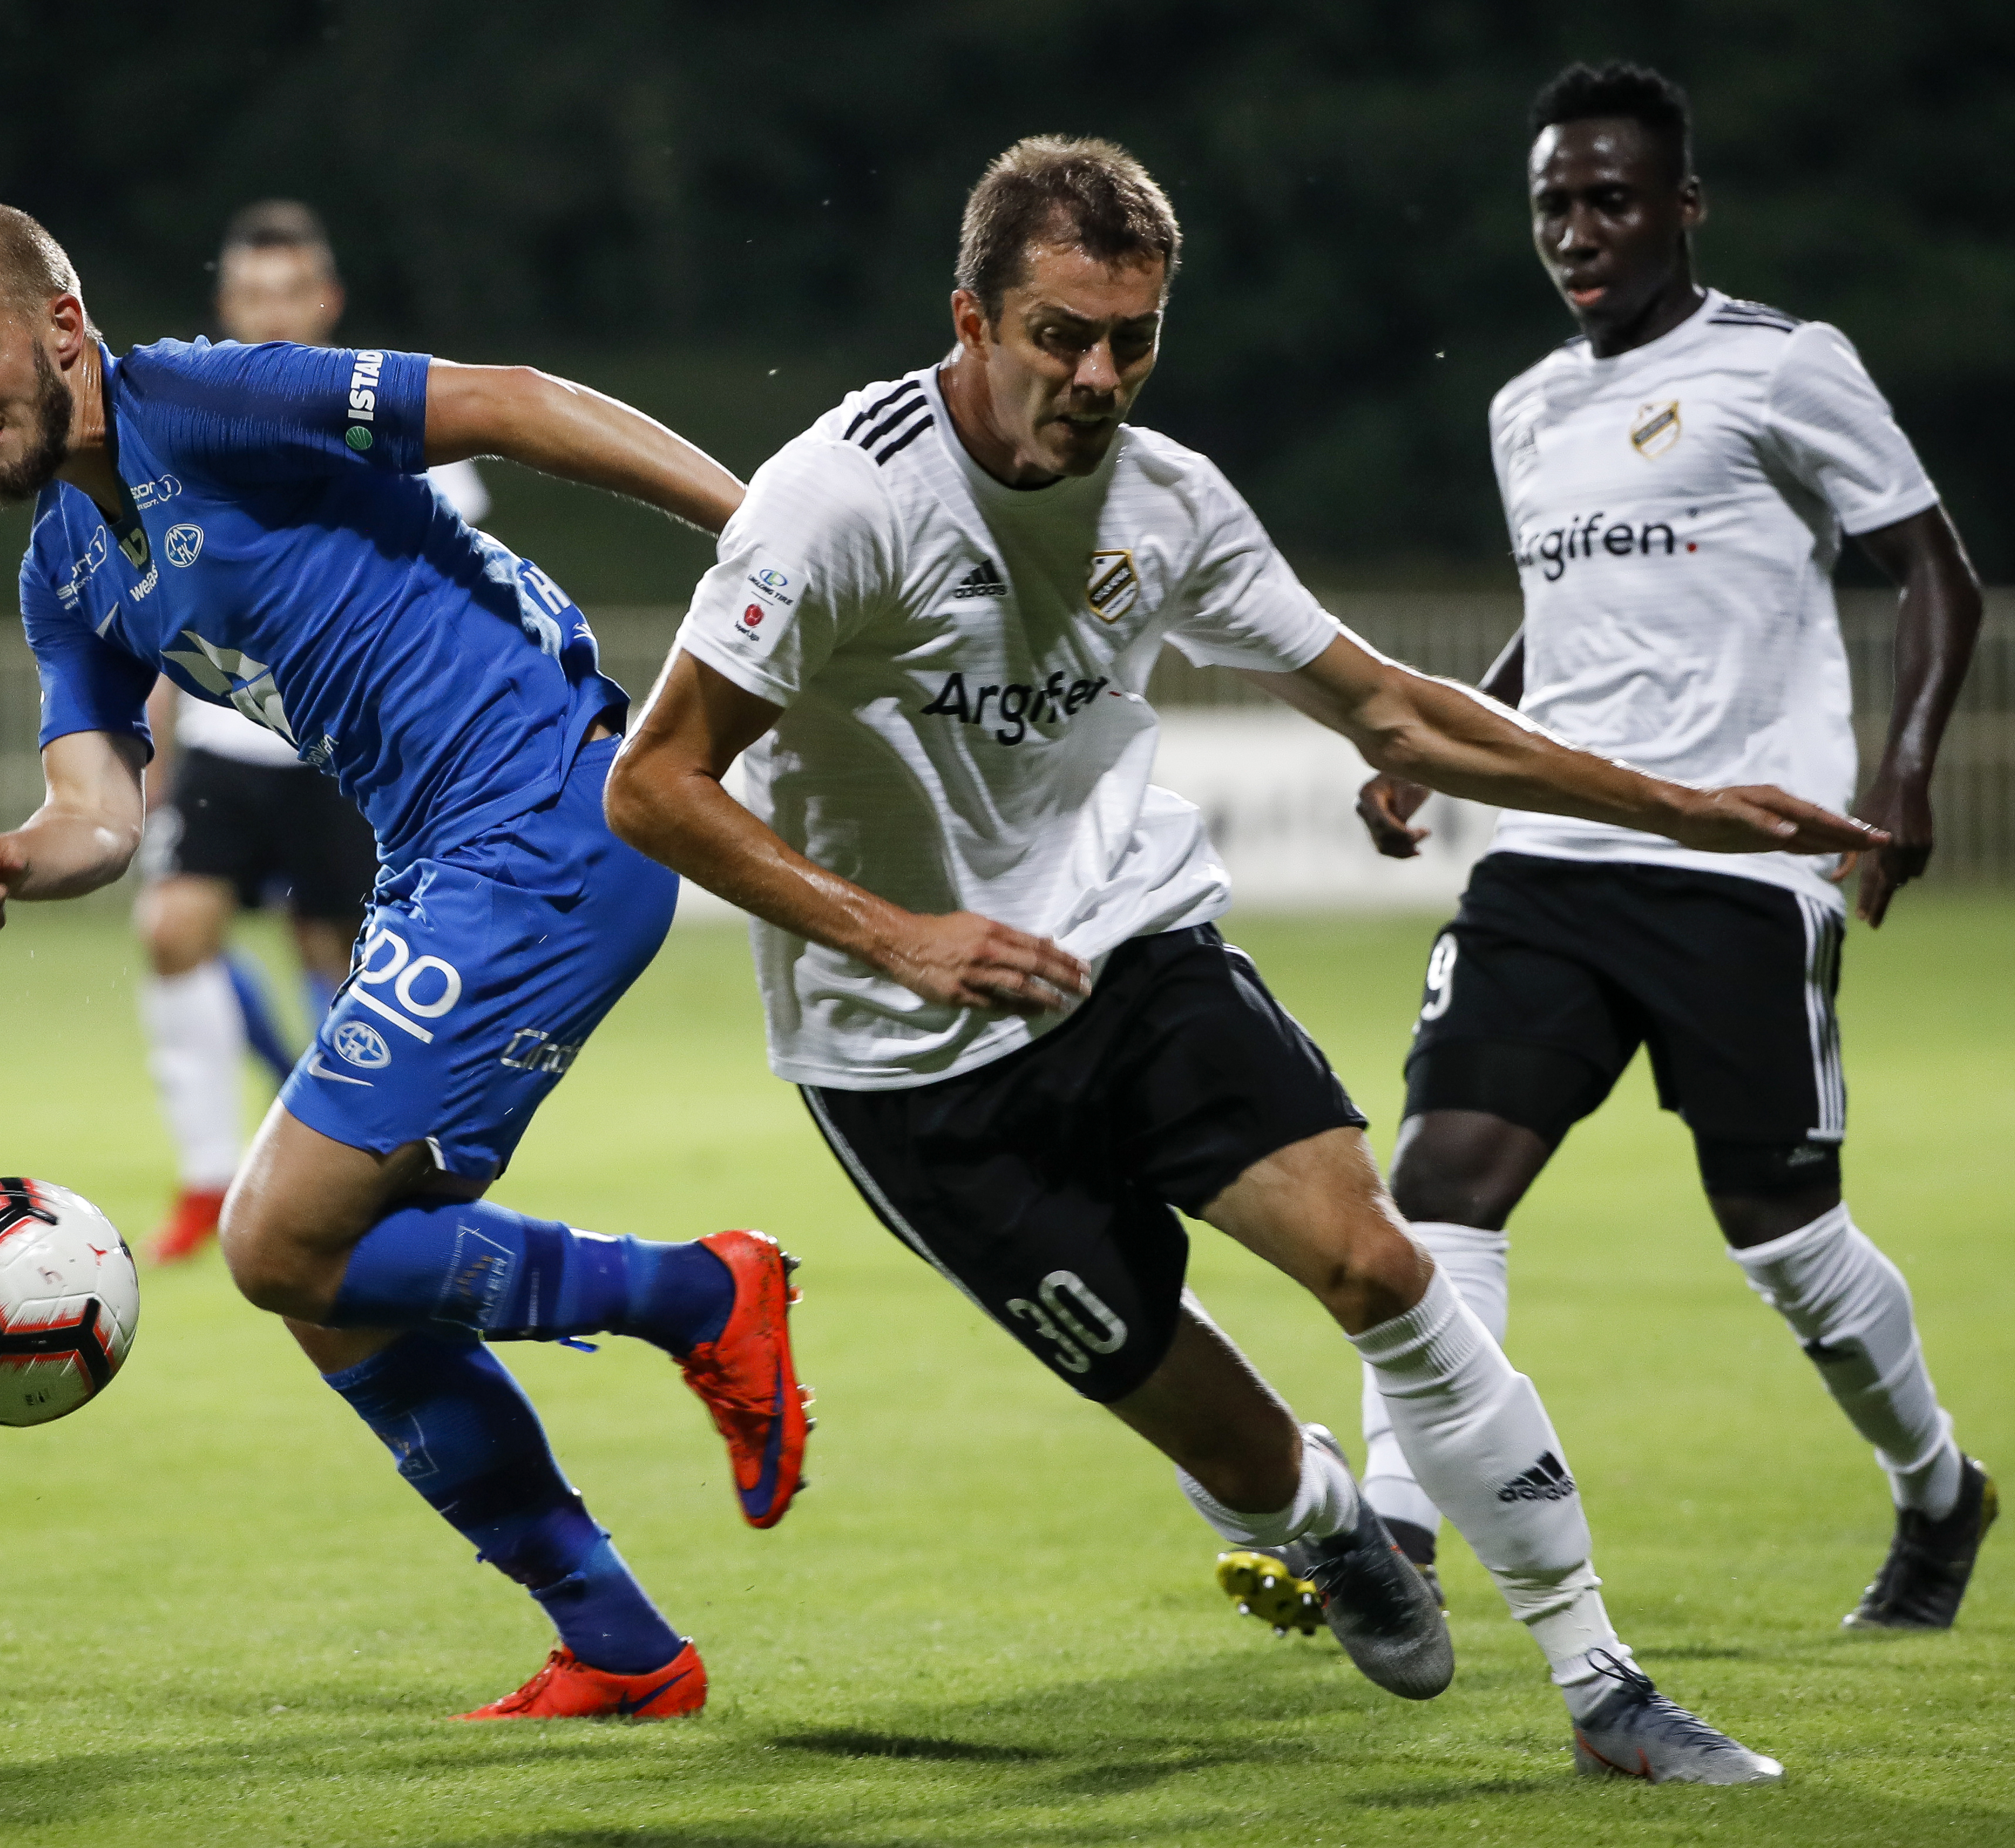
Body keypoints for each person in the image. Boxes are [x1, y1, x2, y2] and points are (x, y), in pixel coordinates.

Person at [607, 136, 1881, 1782]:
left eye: (1131, 337)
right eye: (1059, 333)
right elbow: (654, 781)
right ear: (971, 318)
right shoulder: (841, 500)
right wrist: (895, 931)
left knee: (1377, 1261)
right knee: (1219, 1432)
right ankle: (1327, 1518)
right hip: (901, 1053)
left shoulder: (1171, 499)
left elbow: (1395, 707)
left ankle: (1603, 1681)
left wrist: (1683, 804)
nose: (1095, 375)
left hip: (1127, 950)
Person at [0, 201, 812, 1722]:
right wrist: (12, 856)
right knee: (329, 1283)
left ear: (62, 329)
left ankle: (697, 1296)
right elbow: (99, 816)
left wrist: (768, 532)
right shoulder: (68, 564)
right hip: (449, 864)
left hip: (549, 815)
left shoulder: (207, 393)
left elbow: (509, 401)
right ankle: (621, 1639)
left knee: (276, 1241)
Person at [1347, 62, 1994, 1637]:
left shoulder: (1783, 366)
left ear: (1682, 208)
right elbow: (1560, 626)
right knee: (1437, 1180)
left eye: (1610, 198)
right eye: (1554, 204)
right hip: (1553, 860)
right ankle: (1394, 1532)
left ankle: (1936, 1486)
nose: (1577, 229)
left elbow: (1936, 570)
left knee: (1781, 1235)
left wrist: (1901, 778)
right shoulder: (1525, 405)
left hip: (1737, 865)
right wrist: (1434, 745)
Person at [134, 199, 497, 1266]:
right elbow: (160, 597)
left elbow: (454, 598)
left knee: (339, 962)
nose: (272, 316)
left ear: (326, 303)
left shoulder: (396, 419)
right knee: (171, 933)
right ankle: (206, 1178)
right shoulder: (185, 429)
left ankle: (340, 1173)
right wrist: (141, 747)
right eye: (252, 297)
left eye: (290, 294)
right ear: (226, 307)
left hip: (347, 757)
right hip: (220, 745)